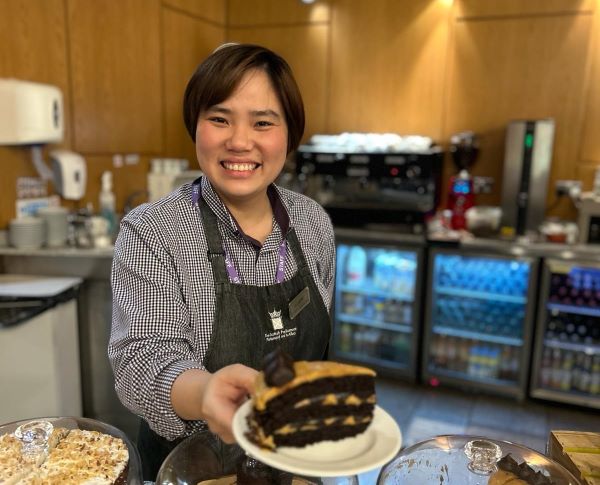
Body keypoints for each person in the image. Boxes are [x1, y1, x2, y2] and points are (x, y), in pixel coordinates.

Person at [108, 43, 335, 480]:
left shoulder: (313, 224)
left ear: (289, 134)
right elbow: (141, 359)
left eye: (263, 122)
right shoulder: (153, 230)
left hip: (293, 461)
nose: (239, 141)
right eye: (219, 118)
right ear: (196, 125)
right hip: (193, 468)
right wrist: (206, 390)